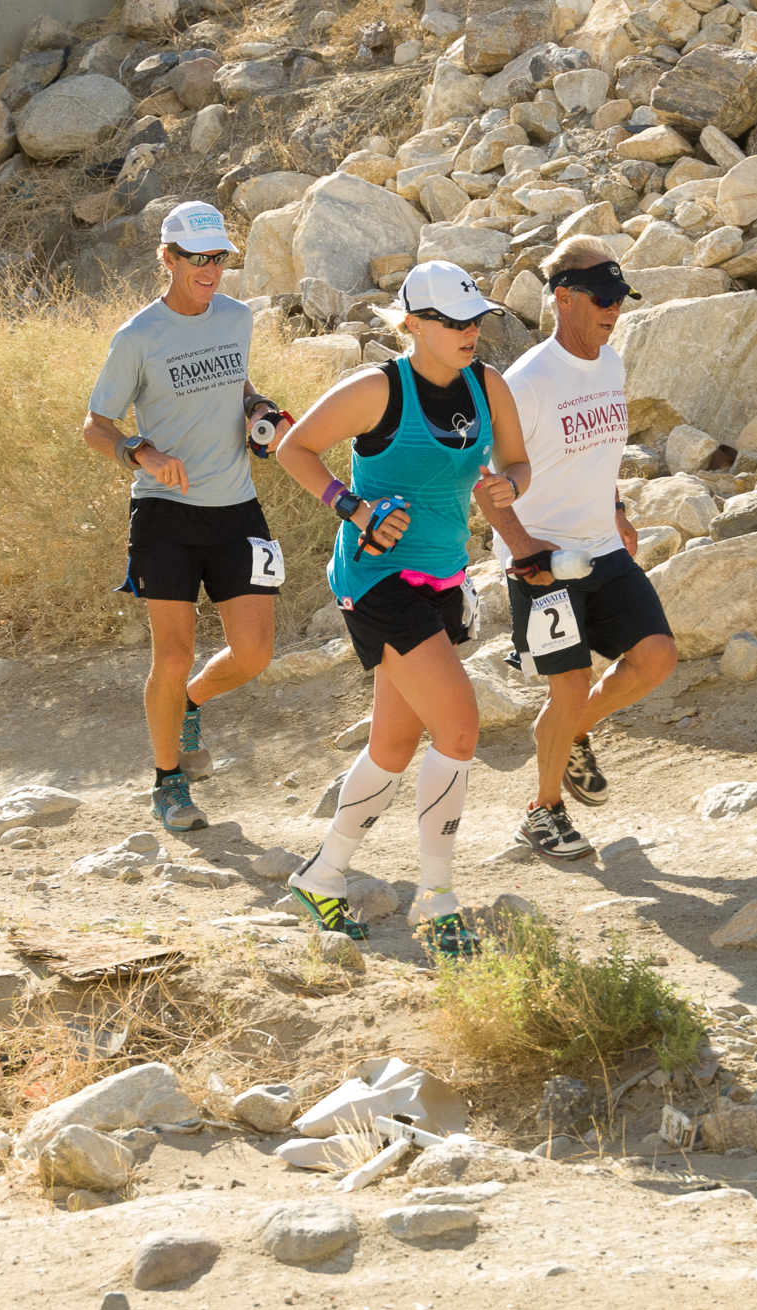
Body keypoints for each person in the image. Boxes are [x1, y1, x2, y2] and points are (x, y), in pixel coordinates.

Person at [270, 261, 537, 956]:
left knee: (391, 745)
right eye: (451, 321)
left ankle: (322, 876)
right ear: (412, 324)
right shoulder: (377, 390)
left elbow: (516, 464)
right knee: (458, 728)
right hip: (377, 577)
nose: (468, 331)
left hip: (444, 579)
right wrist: (351, 508)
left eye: (474, 318)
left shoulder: (488, 386)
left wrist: (507, 486)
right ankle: (437, 901)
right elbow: (290, 446)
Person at [83, 202, 294, 835]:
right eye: (196, 258)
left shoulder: (236, 317)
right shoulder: (137, 337)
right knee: (171, 656)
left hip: (237, 508)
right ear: (168, 260)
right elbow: (95, 426)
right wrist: (140, 452)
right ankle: (168, 781)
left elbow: (239, 383)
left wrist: (259, 408)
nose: (210, 269)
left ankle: (194, 703)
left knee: (255, 653)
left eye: (219, 258)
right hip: (164, 512)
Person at [497, 238, 677, 862]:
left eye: (620, 299)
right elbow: (486, 484)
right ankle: (541, 812)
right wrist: (524, 553)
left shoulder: (610, 365)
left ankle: (571, 735)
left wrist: (619, 508)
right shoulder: (525, 383)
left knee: (656, 658)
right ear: (563, 298)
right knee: (567, 686)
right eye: (602, 299)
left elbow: (603, 452)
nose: (614, 311)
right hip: (542, 561)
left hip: (602, 547)